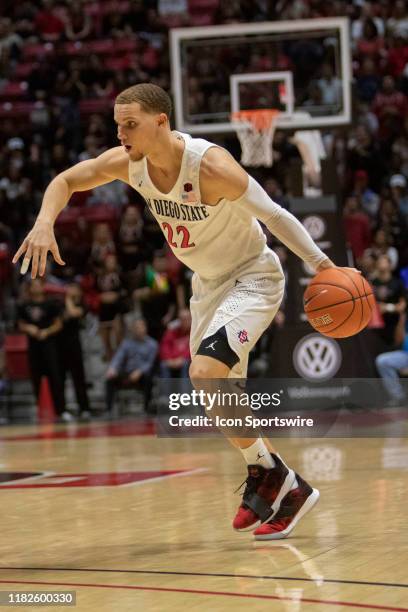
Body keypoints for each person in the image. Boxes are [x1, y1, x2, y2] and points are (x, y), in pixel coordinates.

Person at [13, 83, 357, 540]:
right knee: (219, 396)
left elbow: (274, 216)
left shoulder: (211, 166)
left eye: (130, 124)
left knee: (205, 372)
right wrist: (43, 221)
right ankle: (284, 485)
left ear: (161, 122)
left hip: (252, 275)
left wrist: (325, 267)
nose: (121, 134)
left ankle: (269, 474)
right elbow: (67, 180)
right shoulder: (130, 164)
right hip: (208, 285)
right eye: (118, 125)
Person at [17, 278, 68, 421]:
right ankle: (38, 409)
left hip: (50, 344)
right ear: (30, 288)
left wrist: (47, 331)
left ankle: (61, 410)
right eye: (34, 285)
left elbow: (59, 324)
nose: (36, 288)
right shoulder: (24, 305)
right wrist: (29, 328)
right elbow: (20, 324)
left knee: (55, 377)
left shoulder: (51, 304)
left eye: (39, 285)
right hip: (33, 345)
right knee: (35, 378)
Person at [105, 318, 158, 414]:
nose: (139, 330)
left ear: (145, 328)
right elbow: (118, 357)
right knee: (110, 379)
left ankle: (146, 408)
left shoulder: (152, 344)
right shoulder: (126, 343)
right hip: (127, 372)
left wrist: (139, 371)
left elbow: (150, 363)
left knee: (148, 378)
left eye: (141, 327)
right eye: (136, 327)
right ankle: (109, 410)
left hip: (142, 373)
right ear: (133, 329)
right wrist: (112, 368)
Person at [58, 284, 91, 420]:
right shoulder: (59, 305)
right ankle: (62, 410)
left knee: (79, 378)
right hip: (60, 346)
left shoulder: (83, 305)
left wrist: (68, 299)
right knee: (61, 379)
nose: (71, 291)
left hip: (75, 345)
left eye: (74, 289)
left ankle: (84, 408)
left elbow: (73, 313)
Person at [376, 312, 408, 407]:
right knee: (382, 361)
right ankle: (399, 397)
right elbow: (398, 341)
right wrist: (402, 321)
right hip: (405, 355)